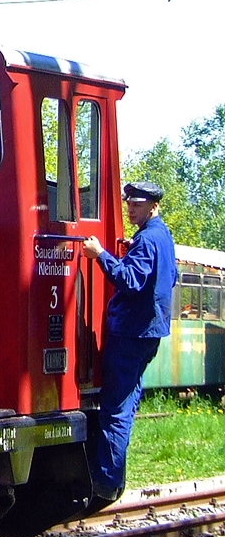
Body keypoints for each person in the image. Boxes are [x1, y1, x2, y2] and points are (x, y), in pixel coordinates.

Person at [81, 180, 177, 501]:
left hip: (130, 333)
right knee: (128, 402)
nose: (130, 208)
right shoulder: (162, 236)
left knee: (115, 410)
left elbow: (131, 280)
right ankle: (115, 479)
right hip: (149, 333)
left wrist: (100, 255)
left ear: (153, 205)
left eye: (136, 203)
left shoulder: (148, 240)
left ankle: (106, 483)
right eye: (129, 203)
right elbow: (170, 278)